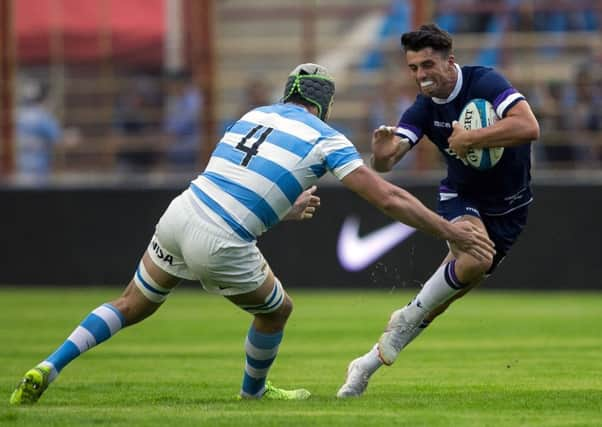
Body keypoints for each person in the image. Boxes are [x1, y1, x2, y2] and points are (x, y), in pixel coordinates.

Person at [9, 63, 494, 405]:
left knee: (130, 302)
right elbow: (388, 198)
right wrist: (448, 229)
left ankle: (50, 365)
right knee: (277, 310)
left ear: (289, 92)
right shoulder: (326, 138)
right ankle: (253, 394)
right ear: (324, 103)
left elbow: (234, 183)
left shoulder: (253, 116)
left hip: (183, 211)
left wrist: (284, 207)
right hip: (221, 238)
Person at [337, 24, 540, 398]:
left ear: (450, 61)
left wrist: (472, 138)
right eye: (413, 68)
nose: (421, 75)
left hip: (511, 207)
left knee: (443, 297)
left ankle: (367, 362)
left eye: (427, 64)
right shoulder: (423, 107)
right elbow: (389, 161)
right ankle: (401, 325)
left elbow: (529, 126)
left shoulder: (485, 82)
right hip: (460, 196)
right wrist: (380, 155)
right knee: (476, 257)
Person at [15, 79, 62, 181]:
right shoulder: (44, 117)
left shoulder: (17, 115)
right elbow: (58, 140)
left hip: (19, 170)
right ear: (45, 98)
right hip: (39, 170)